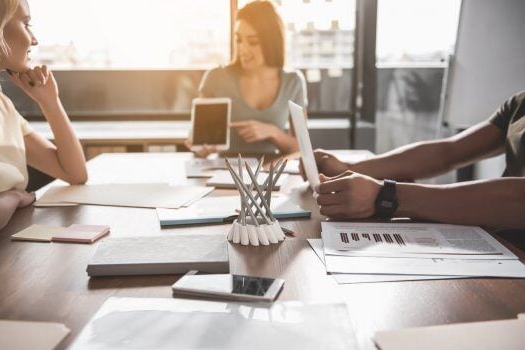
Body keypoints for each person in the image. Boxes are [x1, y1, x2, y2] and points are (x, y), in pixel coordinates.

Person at [305, 91, 525, 230]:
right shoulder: (519, 103)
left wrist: (385, 196)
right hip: (502, 245)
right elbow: (448, 152)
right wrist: (349, 169)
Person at [0, 0, 87, 243]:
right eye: (25, 24)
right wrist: (14, 198)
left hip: (1, 252)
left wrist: (50, 103)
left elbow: (74, 172)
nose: (34, 40)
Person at [189, 0, 308, 157]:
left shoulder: (293, 82)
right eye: (239, 40)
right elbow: (198, 146)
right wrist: (200, 148)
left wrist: (272, 132)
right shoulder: (216, 78)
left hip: (271, 173)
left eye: (253, 42)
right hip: (226, 172)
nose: (243, 49)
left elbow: (301, 148)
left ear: (271, 42)